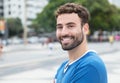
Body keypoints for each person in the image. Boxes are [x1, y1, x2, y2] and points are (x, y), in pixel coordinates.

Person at [54, 3, 107, 83]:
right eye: (60, 27)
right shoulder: (63, 66)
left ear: (85, 29)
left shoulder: (89, 66)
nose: (64, 33)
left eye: (70, 26)